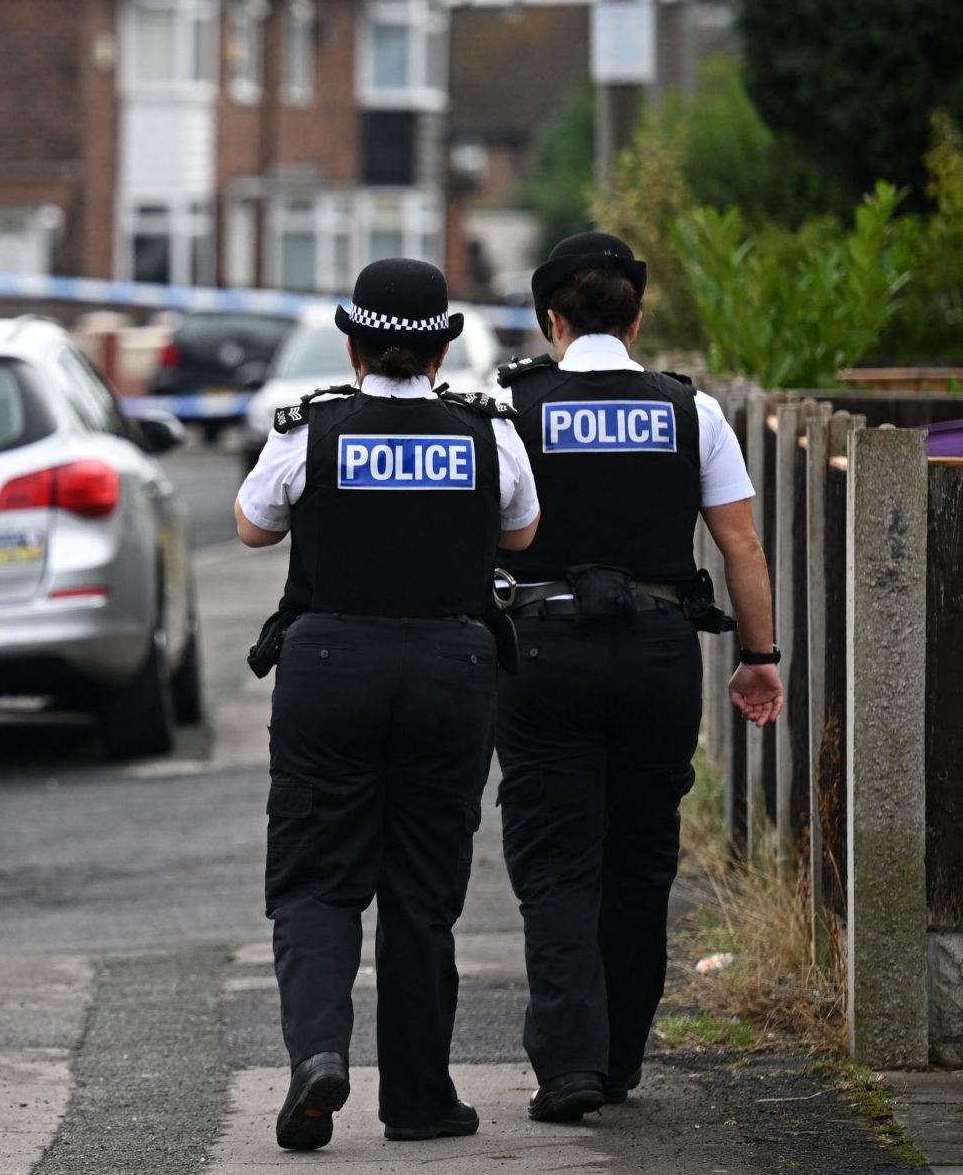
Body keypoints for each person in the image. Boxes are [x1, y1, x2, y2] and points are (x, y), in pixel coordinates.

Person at [234, 258, 541, 1152]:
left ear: (352, 345)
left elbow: (254, 525)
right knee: (421, 893)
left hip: (330, 667)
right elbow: (521, 532)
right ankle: (417, 1099)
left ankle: (319, 1055)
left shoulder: (311, 430)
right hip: (452, 667)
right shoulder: (488, 433)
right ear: (443, 349)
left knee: (317, 878)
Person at [491, 232, 783, 1122]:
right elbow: (740, 546)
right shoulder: (687, 410)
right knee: (642, 859)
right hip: (659, 655)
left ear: (553, 322)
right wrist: (759, 660)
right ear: (638, 318)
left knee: (556, 862)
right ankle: (618, 1060)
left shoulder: (511, 408)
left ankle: (569, 1065)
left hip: (541, 654)